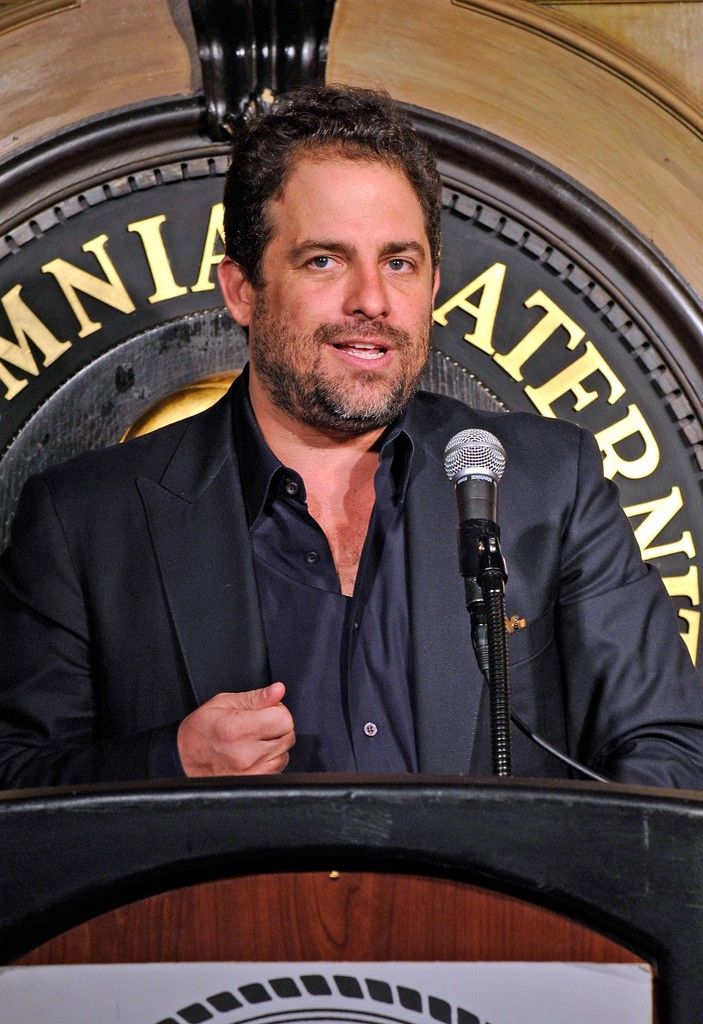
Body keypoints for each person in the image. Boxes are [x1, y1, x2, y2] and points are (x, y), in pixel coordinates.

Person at [0, 85, 701, 789]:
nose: (372, 300)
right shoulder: (85, 520)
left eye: (399, 263)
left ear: (431, 284)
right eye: (324, 261)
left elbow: (670, 747)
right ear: (242, 290)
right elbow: (15, 779)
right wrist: (170, 762)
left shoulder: (550, 484)